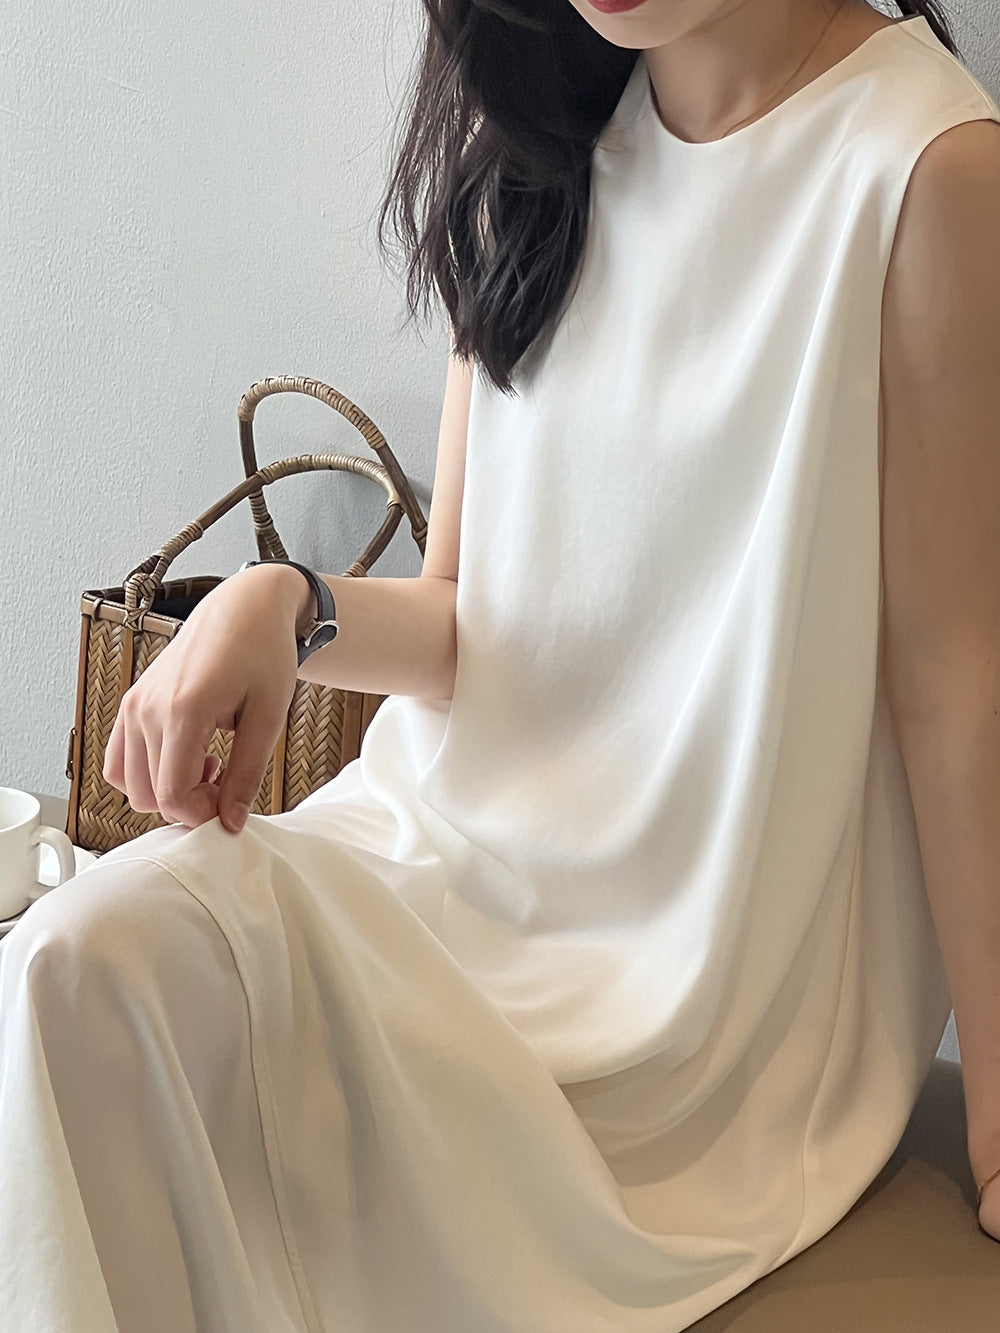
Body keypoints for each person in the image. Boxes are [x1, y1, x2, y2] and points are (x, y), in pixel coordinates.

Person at [2, 0, 999, 1328]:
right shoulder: (537, 136)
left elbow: (957, 689)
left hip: (693, 997)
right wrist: (284, 603)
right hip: (432, 864)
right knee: (70, 967)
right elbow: (470, 619)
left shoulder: (924, 168)